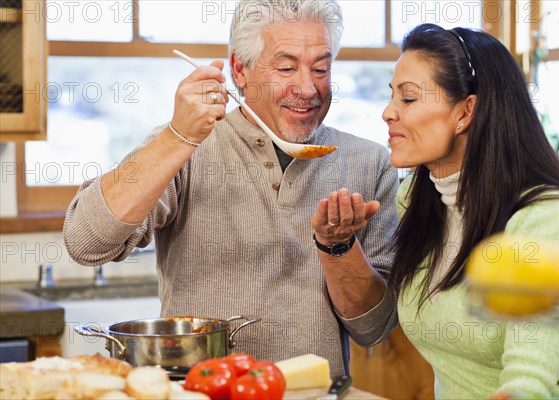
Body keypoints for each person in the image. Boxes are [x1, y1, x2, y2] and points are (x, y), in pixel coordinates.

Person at [63, 0, 399, 377]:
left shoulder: (370, 163)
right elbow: (85, 242)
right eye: (286, 67)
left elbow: (373, 329)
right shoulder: (185, 145)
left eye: (321, 68)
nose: (307, 88)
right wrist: (177, 137)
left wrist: (339, 248)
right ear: (240, 69)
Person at [311, 23, 559, 398]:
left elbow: (527, 386)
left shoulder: (544, 216)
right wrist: (340, 243)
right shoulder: (416, 197)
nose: (387, 112)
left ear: (466, 112)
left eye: (408, 98)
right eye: (391, 96)